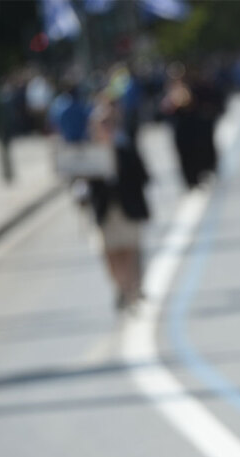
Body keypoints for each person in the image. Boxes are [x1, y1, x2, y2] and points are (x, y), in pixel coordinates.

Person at [86, 94, 150, 312]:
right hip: (104, 211)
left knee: (130, 251)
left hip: (127, 207)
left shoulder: (126, 146)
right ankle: (122, 288)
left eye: (107, 123)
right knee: (111, 255)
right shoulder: (90, 152)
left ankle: (133, 291)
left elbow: (143, 176)